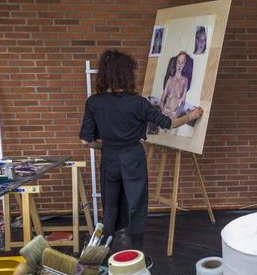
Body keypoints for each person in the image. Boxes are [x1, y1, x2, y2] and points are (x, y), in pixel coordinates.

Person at [79, 50, 203, 250]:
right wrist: (190, 116)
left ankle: (103, 254)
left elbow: (86, 141)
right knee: (136, 206)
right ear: (125, 74)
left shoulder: (94, 102)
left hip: (109, 160)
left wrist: (110, 144)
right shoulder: (138, 103)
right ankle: (137, 253)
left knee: (110, 208)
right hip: (133, 158)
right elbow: (168, 123)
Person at [160, 51, 193, 119]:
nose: (180, 65)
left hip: (175, 115)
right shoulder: (170, 80)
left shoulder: (185, 80)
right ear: (175, 63)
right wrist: (163, 110)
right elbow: (162, 100)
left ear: (185, 64)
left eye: (182, 62)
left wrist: (176, 115)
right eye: (178, 62)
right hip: (165, 113)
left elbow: (183, 103)